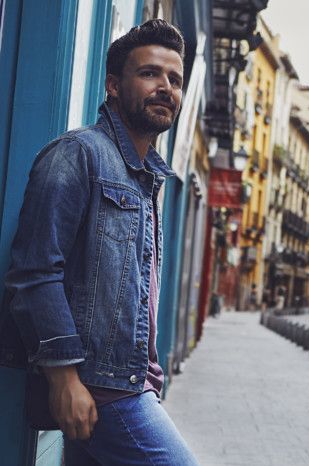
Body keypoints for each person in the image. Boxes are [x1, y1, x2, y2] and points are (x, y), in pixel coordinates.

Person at [0, 20, 198, 465]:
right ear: (113, 85)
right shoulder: (78, 154)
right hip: (104, 389)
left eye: (175, 79)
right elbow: (34, 271)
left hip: (129, 383)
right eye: (149, 73)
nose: (165, 87)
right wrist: (63, 378)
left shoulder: (146, 179)